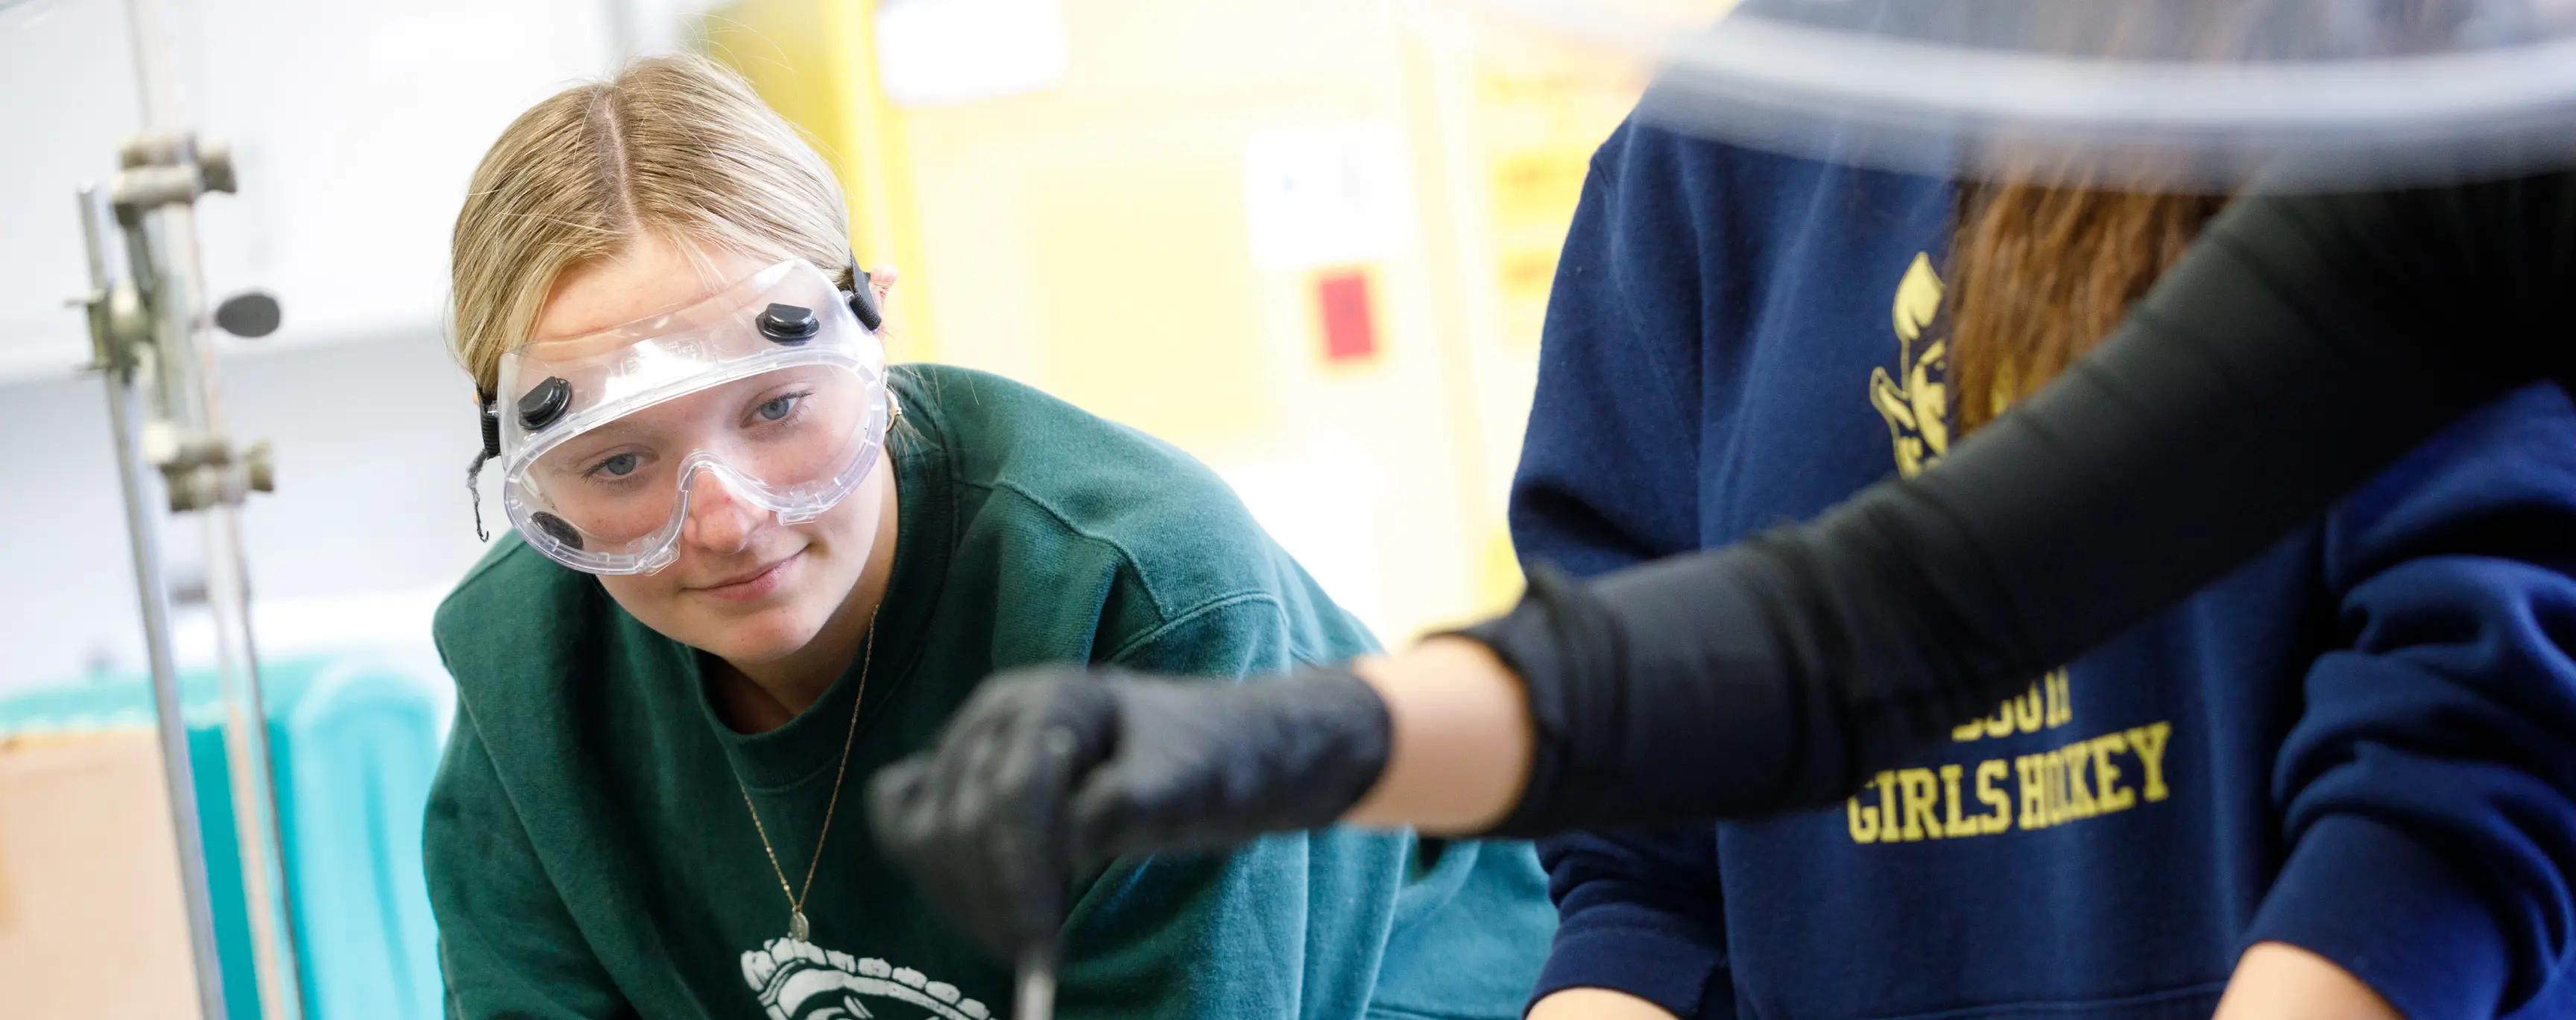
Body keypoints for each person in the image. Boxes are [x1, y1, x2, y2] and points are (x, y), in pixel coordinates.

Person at [867, 162, 2576, 1016]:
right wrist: (1286, 742)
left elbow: (2476, 744)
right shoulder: (2433, 191)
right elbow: (1865, 627)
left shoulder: (2452, 92)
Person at [423, 54, 1555, 1020]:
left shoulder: (1140, 593)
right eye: (620, 463)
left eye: (776, 407)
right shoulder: (528, 665)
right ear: (533, 479)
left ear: (877, 330)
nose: (726, 517)